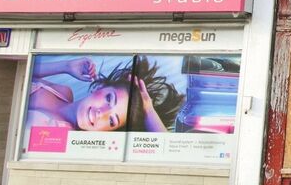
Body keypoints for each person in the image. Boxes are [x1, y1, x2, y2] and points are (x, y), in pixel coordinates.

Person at [27, 56, 184, 133]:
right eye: (109, 99)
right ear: (100, 86)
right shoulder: (63, 91)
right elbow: (22, 72)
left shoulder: (67, 138)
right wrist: (65, 66)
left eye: (112, 120)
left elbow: (164, 152)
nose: (101, 113)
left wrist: (149, 111)